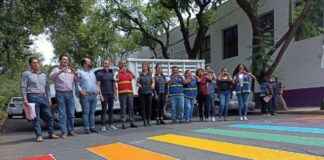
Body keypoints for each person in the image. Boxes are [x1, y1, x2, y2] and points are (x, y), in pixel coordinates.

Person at [21, 57, 59, 142]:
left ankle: (51, 133)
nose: (36, 64)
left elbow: (47, 88)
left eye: (37, 62)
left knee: (49, 116)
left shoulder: (43, 75)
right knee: (36, 118)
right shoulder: (26, 74)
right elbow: (23, 87)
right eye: (34, 62)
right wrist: (25, 99)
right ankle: (39, 135)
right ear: (30, 64)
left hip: (43, 97)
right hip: (32, 96)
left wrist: (49, 99)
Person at [50, 54, 77, 138]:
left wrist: (75, 74)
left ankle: (71, 131)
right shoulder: (56, 69)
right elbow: (51, 77)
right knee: (62, 114)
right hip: (60, 93)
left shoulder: (71, 70)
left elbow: (77, 80)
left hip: (70, 93)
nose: (65, 61)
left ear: (68, 61)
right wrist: (61, 71)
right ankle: (63, 132)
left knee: (71, 113)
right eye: (63, 59)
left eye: (66, 60)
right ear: (60, 61)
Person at [76, 57, 99, 134]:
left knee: (92, 112)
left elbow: (95, 82)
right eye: (89, 62)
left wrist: (97, 89)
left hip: (93, 95)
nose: (90, 63)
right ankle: (86, 128)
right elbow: (76, 83)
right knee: (86, 112)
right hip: (85, 96)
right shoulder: (80, 72)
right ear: (84, 64)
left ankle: (92, 127)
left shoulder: (92, 72)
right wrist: (80, 91)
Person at [96, 59, 118, 131]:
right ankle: (103, 126)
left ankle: (111, 124)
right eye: (105, 63)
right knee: (104, 110)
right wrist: (100, 95)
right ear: (103, 65)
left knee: (111, 110)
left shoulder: (111, 73)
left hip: (111, 94)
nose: (106, 65)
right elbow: (98, 85)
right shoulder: (100, 73)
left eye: (107, 63)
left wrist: (115, 94)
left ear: (109, 65)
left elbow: (114, 85)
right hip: (104, 94)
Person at [116, 61, 138, 129]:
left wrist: (129, 70)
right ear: (120, 66)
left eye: (125, 66)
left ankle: (132, 122)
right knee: (123, 108)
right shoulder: (118, 73)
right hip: (122, 93)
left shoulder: (128, 73)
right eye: (123, 66)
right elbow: (115, 79)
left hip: (130, 93)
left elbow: (134, 76)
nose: (124, 67)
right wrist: (120, 71)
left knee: (131, 107)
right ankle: (123, 123)